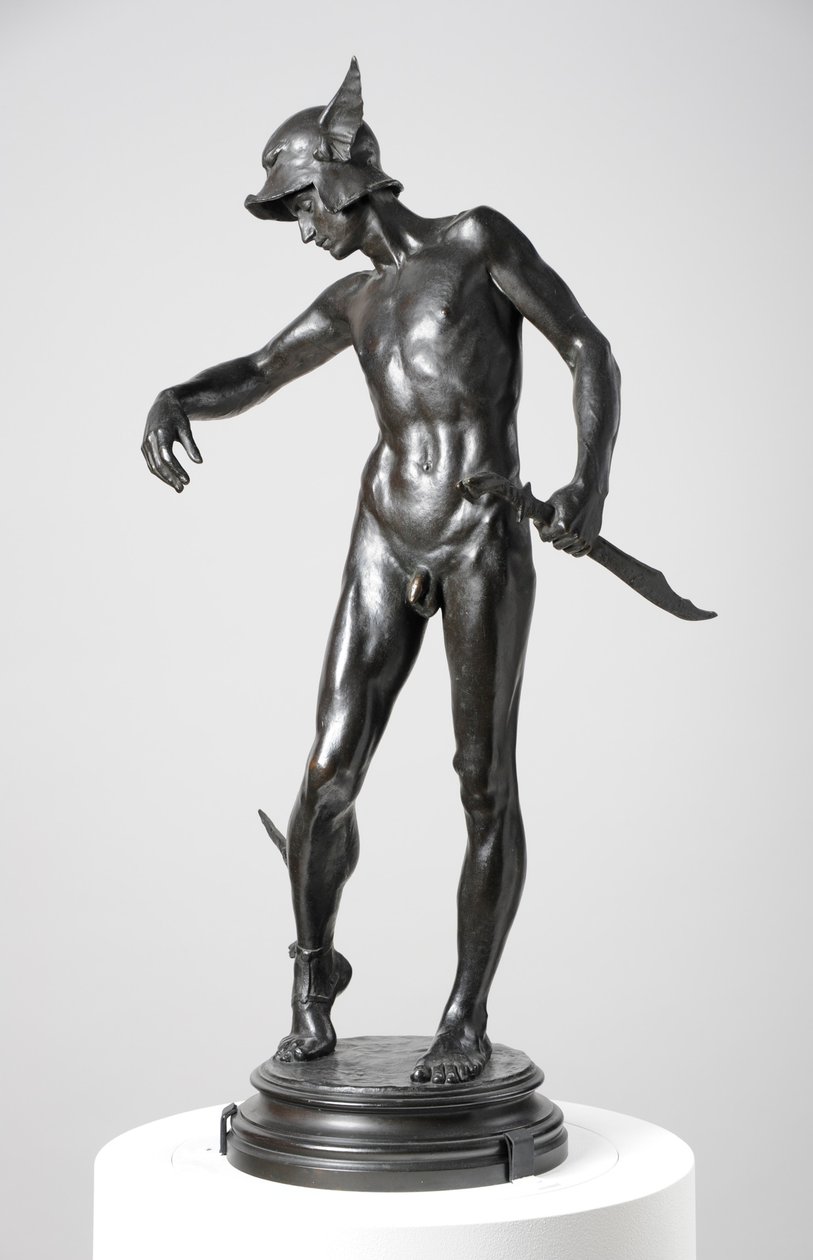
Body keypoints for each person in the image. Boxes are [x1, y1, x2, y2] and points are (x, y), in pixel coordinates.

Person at [142, 59, 620, 1085]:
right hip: (386, 533)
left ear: (341, 175)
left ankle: (465, 1014)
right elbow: (258, 371)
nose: (300, 227)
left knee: (482, 783)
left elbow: (587, 348)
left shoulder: (476, 241)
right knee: (328, 773)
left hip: (480, 532)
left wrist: (589, 482)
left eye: (300, 205)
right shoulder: (352, 302)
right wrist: (177, 395)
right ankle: (312, 983)